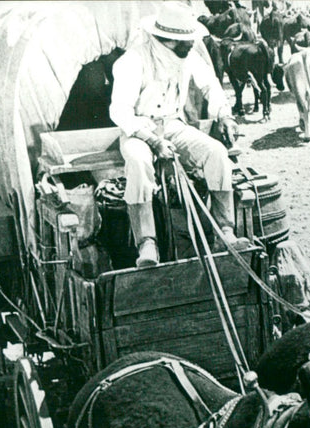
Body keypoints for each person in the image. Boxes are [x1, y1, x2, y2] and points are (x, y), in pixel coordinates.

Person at [110, 2, 251, 268]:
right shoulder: (132, 61)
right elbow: (119, 111)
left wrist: (225, 115)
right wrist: (153, 141)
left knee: (217, 153)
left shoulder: (187, 56)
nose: (190, 46)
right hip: (139, 131)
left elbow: (212, 86)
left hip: (174, 126)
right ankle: (147, 243)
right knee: (139, 164)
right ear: (166, 39)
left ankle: (225, 231)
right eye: (184, 42)